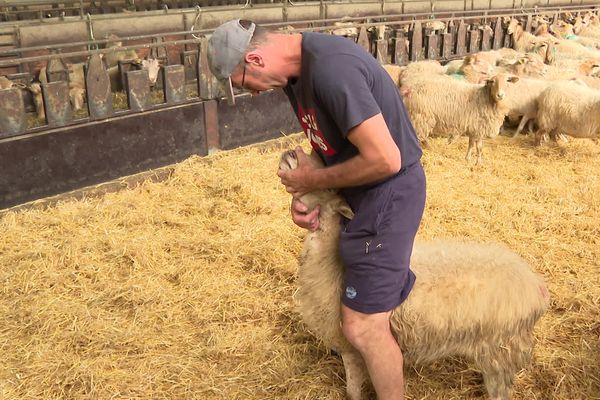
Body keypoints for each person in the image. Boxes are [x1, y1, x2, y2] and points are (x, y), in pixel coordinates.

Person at [207, 19, 426, 400]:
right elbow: (327, 146)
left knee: (362, 325)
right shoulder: (297, 76)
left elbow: (386, 159)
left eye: (245, 84)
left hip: (388, 193)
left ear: (255, 58)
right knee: (351, 306)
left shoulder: (330, 69)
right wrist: (307, 197)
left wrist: (312, 184)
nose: (254, 94)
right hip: (359, 191)